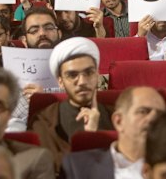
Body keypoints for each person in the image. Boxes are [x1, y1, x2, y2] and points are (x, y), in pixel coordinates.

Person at [62, 86, 166, 179]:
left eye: (160, 115)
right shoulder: (78, 166)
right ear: (118, 121)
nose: (153, 119)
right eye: (143, 111)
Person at [28, 37, 113, 169]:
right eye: (72, 75)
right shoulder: (43, 120)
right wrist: (89, 139)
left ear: (97, 75)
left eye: (89, 73)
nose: (82, 81)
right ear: (60, 82)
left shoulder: (116, 116)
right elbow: (51, 169)